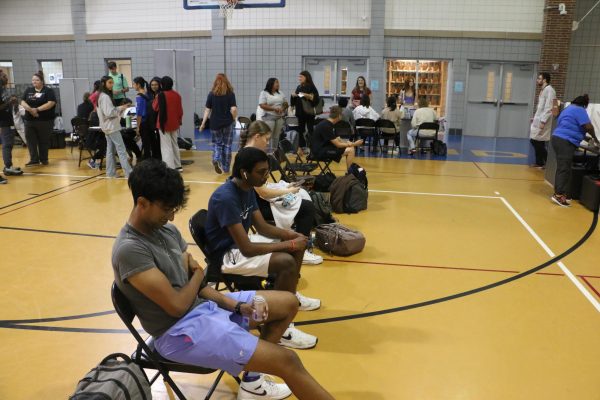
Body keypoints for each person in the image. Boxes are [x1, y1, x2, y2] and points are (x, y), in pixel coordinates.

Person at [113, 159, 334, 400]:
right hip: (178, 333)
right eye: (167, 210)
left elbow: (199, 289)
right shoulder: (130, 250)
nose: (172, 218)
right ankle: (256, 373)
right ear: (142, 203)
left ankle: (251, 381)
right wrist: (198, 274)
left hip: (204, 310)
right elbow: (176, 306)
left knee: (287, 303)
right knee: (287, 360)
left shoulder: (167, 231)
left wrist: (235, 305)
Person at [205, 147, 322, 350]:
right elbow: (247, 248)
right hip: (226, 255)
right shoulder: (225, 198)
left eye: (267, 171)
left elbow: (262, 227)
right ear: (244, 172)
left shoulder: (248, 189)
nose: (266, 176)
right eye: (261, 172)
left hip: (240, 247)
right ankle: (281, 327)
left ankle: (288, 296)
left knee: (297, 245)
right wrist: (290, 244)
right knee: (286, 261)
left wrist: (292, 236)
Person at [240, 121, 322, 265]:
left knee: (301, 195)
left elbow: (262, 186)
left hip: (257, 201)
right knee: (306, 207)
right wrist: (286, 190)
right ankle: (300, 250)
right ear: (257, 137)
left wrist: (282, 187)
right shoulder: (249, 156)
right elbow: (263, 192)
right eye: (266, 139)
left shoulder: (250, 153)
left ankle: (300, 238)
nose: (267, 143)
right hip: (257, 207)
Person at [550, 94, 599, 207]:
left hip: (557, 139)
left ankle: (563, 194)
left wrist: (584, 137)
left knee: (564, 167)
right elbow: (588, 127)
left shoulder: (568, 109)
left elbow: (568, 125)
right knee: (564, 169)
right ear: (584, 104)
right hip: (565, 142)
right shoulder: (580, 110)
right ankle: (558, 195)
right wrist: (596, 139)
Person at [200, 73, 237, 174]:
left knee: (217, 144)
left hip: (215, 124)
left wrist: (203, 124)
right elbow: (233, 109)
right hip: (227, 123)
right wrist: (234, 119)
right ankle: (226, 168)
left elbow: (207, 110)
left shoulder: (211, 94)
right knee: (227, 145)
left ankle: (216, 158)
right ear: (227, 81)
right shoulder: (230, 94)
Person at [97, 75, 132, 178]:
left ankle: (111, 173)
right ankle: (129, 173)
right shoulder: (105, 97)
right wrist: (122, 107)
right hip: (111, 127)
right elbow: (109, 112)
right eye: (110, 82)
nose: (112, 85)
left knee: (110, 151)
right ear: (104, 84)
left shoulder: (101, 96)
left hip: (107, 127)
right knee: (121, 149)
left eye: (112, 82)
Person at [20, 71, 56, 166]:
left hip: (44, 121)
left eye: (36, 80)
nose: (34, 82)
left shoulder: (48, 91)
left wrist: (37, 109)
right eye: (33, 80)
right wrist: (30, 109)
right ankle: (34, 159)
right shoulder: (29, 90)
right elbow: (22, 102)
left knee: (43, 141)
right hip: (29, 121)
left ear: (42, 81)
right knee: (30, 140)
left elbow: (51, 103)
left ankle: (44, 159)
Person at [311, 106, 363, 170]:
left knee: (350, 147)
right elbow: (338, 145)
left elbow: (337, 139)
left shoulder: (328, 123)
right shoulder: (326, 126)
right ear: (339, 116)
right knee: (351, 150)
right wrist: (354, 144)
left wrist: (348, 143)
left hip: (323, 148)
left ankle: (350, 172)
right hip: (320, 152)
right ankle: (350, 174)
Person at [152, 76, 183, 171]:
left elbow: (155, 108)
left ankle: (169, 167)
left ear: (162, 84)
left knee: (166, 147)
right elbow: (180, 111)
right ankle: (178, 166)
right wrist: (179, 121)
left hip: (163, 124)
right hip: (174, 123)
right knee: (175, 144)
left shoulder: (160, 95)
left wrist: (155, 98)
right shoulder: (177, 95)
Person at [529, 72, 556, 168]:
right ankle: (539, 162)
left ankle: (548, 162)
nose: (537, 80)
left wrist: (543, 121)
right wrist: (535, 117)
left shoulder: (550, 90)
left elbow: (549, 107)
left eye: (539, 78)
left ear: (544, 80)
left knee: (537, 141)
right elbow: (541, 107)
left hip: (544, 120)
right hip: (539, 118)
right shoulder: (543, 90)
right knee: (534, 140)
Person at [291, 71, 319, 150]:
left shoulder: (311, 87)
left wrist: (305, 95)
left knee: (310, 130)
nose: (299, 78)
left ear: (306, 77)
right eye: (299, 77)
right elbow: (296, 97)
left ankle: (312, 148)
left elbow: (315, 98)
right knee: (300, 130)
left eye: (301, 77)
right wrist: (293, 95)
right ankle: (302, 147)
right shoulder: (299, 87)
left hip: (309, 112)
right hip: (300, 112)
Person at [133, 77, 159, 161]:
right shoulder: (148, 94)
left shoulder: (139, 96)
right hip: (150, 121)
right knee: (152, 141)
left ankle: (147, 161)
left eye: (134, 84)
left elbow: (139, 113)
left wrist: (137, 126)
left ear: (138, 85)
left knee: (146, 143)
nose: (133, 86)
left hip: (143, 122)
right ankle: (156, 159)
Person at [258, 78, 288, 151]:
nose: (278, 84)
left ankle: (274, 152)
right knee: (268, 136)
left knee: (276, 136)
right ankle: (265, 151)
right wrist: (274, 109)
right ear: (271, 84)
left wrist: (283, 108)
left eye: (278, 83)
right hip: (269, 117)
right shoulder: (264, 93)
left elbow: (286, 103)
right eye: (276, 83)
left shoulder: (280, 93)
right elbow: (262, 105)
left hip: (279, 117)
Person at [1, 81, 23, 179]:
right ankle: (8, 167)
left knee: (9, 144)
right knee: (7, 145)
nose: (5, 77)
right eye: (2, 75)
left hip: (8, 121)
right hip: (3, 123)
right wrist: (10, 102)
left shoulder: (3, 90)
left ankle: (9, 166)